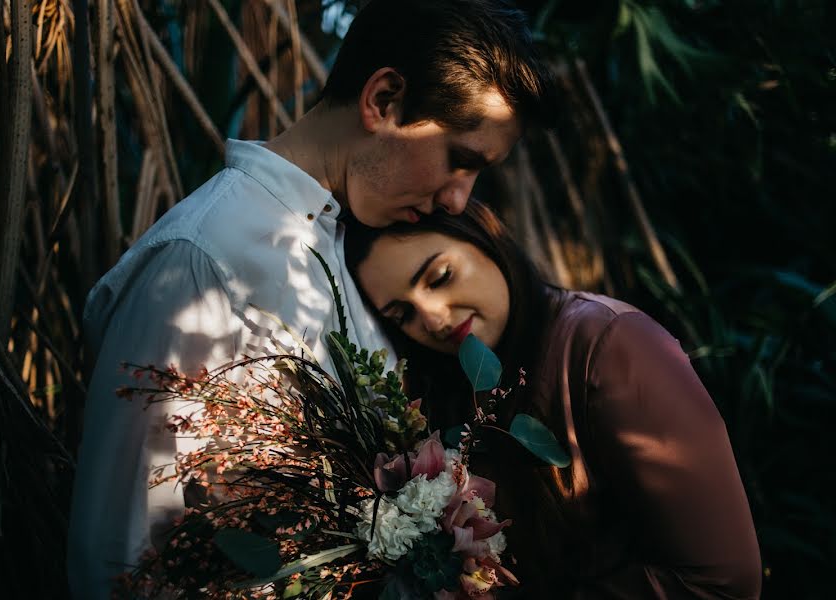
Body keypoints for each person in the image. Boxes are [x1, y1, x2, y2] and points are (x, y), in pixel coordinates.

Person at [67, 1, 557, 597]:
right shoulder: (203, 262)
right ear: (383, 101)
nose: (459, 200)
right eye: (461, 160)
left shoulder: (350, 254)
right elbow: (122, 549)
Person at [344, 199, 763, 598]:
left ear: (482, 234)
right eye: (404, 315)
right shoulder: (448, 396)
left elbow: (722, 581)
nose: (432, 319)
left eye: (439, 277)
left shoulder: (609, 346)